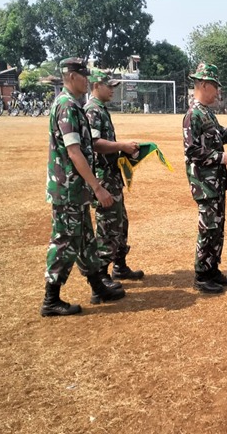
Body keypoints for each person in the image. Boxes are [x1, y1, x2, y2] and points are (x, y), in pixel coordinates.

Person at [41, 58, 125, 317]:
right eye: (84, 75)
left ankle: (98, 286)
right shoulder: (66, 106)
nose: (88, 80)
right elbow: (74, 152)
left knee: (87, 240)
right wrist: (97, 187)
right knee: (65, 240)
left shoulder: (73, 105)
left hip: (75, 189)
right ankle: (50, 299)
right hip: (68, 189)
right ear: (72, 76)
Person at [182, 63, 227, 294]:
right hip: (204, 183)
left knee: (217, 227)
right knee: (207, 227)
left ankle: (212, 269)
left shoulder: (207, 113)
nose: (217, 92)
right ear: (203, 84)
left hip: (216, 183)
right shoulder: (193, 115)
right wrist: (220, 157)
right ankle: (202, 275)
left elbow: (222, 135)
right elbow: (191, 150)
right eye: (215, 86)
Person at [85, 69, 145, 288]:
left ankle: (119, 265)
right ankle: (101, 273)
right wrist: (122, 146)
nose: (112, 90)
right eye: (108, 85)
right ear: (95, 85)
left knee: (120, 221)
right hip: (103, 178)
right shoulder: (92, 110)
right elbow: (94, 143)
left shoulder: (101, 109)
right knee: (108, 224)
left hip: (112, 176)